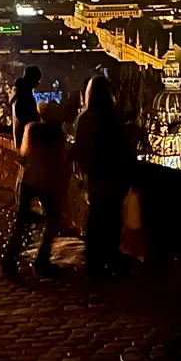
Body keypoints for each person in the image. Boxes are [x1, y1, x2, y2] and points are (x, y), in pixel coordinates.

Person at [72, 74, 134, 277]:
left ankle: (94, 259)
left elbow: (79, 149)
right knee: (111, 217)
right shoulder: (110, 118)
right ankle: (108, 257)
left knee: (97, 216)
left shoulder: (83, 119)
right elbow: (121, 147)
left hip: (93, 176)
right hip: (111, 174)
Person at [3, 102, 71, 278]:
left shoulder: (31, 129)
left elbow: (24, 156)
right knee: (54, 219)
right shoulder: (56, 134)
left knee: (22, 221)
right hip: (45, 182)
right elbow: (58, 162)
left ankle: (9, 260)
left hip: (27, 180)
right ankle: (42, 259)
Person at [11, 65, 41, 148]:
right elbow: (26, 119)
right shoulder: (24, 96)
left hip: (23, 141)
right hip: (26, 142)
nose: (37, 84)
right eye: (36, 81)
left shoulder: (18, 93)